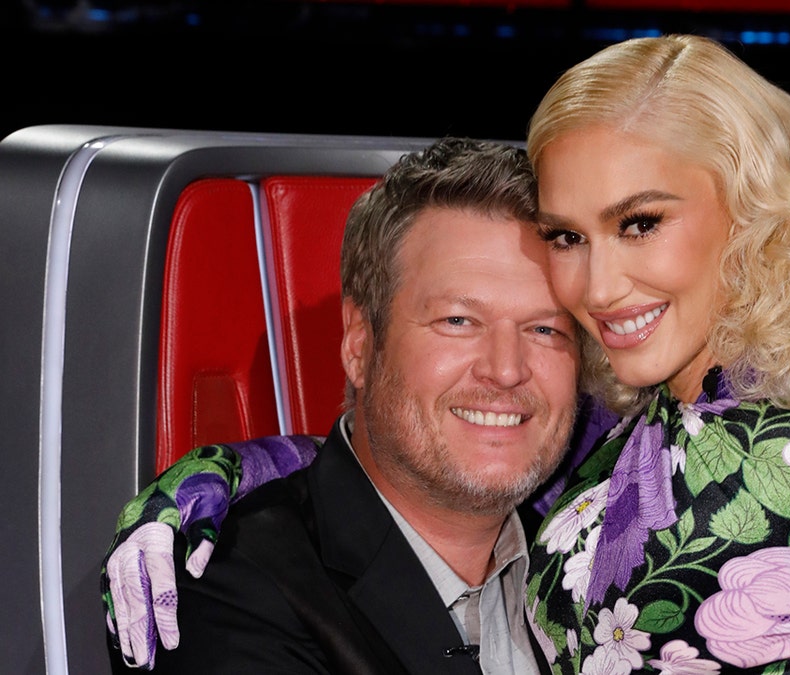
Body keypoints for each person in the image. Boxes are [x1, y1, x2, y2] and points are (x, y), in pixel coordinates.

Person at [104, 35, 790, 675]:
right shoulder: (603, 450)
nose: (596, 285)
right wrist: (220, 471)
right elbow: (434, 452)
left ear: (756, 217)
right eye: (567, 235)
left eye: (640, 222)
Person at [104, 137, 582, 673]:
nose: (506, 367)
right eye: (457, 321)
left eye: (546, 329)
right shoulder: (225, 587)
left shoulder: (606, 556)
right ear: (359, 343)